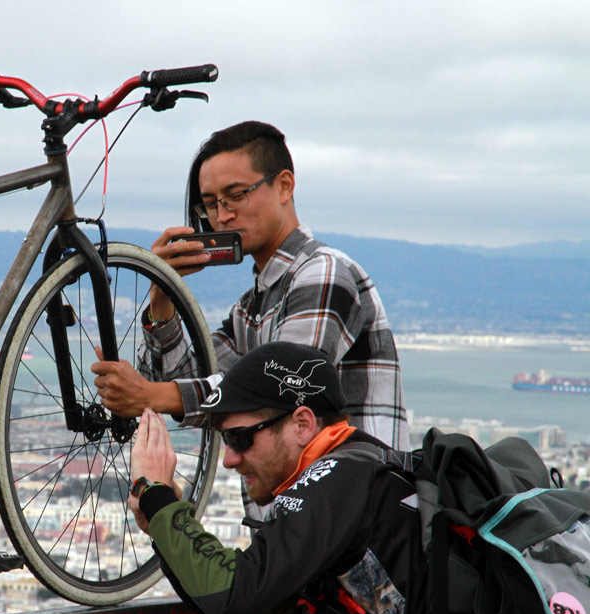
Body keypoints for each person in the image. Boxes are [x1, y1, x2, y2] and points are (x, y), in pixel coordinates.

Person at [91, 120, 410, 453]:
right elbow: (192, 381)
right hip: (316, 484)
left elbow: (282, 388)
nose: (222, 216)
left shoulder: (323, 273)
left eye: (235, 196)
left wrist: (151, 395)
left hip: (359, 481)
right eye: (210, 204)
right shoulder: (249, 309)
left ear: (284, 186)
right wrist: (162, 294)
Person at [127, 341, 430, 614]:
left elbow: (234, 596)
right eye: (225, 440)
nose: (229, 459)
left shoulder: (337, 479)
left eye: (239, 438)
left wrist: (159, 501)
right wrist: (163, 525)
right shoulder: (352, 476)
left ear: (302, 424)